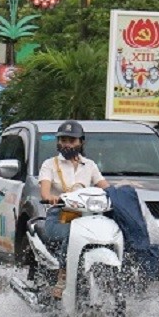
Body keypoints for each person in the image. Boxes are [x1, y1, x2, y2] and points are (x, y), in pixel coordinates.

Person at [39, 120, 110, 298]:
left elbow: (105, 187)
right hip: (58, 217)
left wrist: (120, 190)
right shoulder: (50, 164)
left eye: (71, 140)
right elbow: (45, 191)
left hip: (86, 216)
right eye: (63, 140)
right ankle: (62, 276)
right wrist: (51, 198)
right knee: (73, 234)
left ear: (81, 142)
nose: (67, 144)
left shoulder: (90, 165)